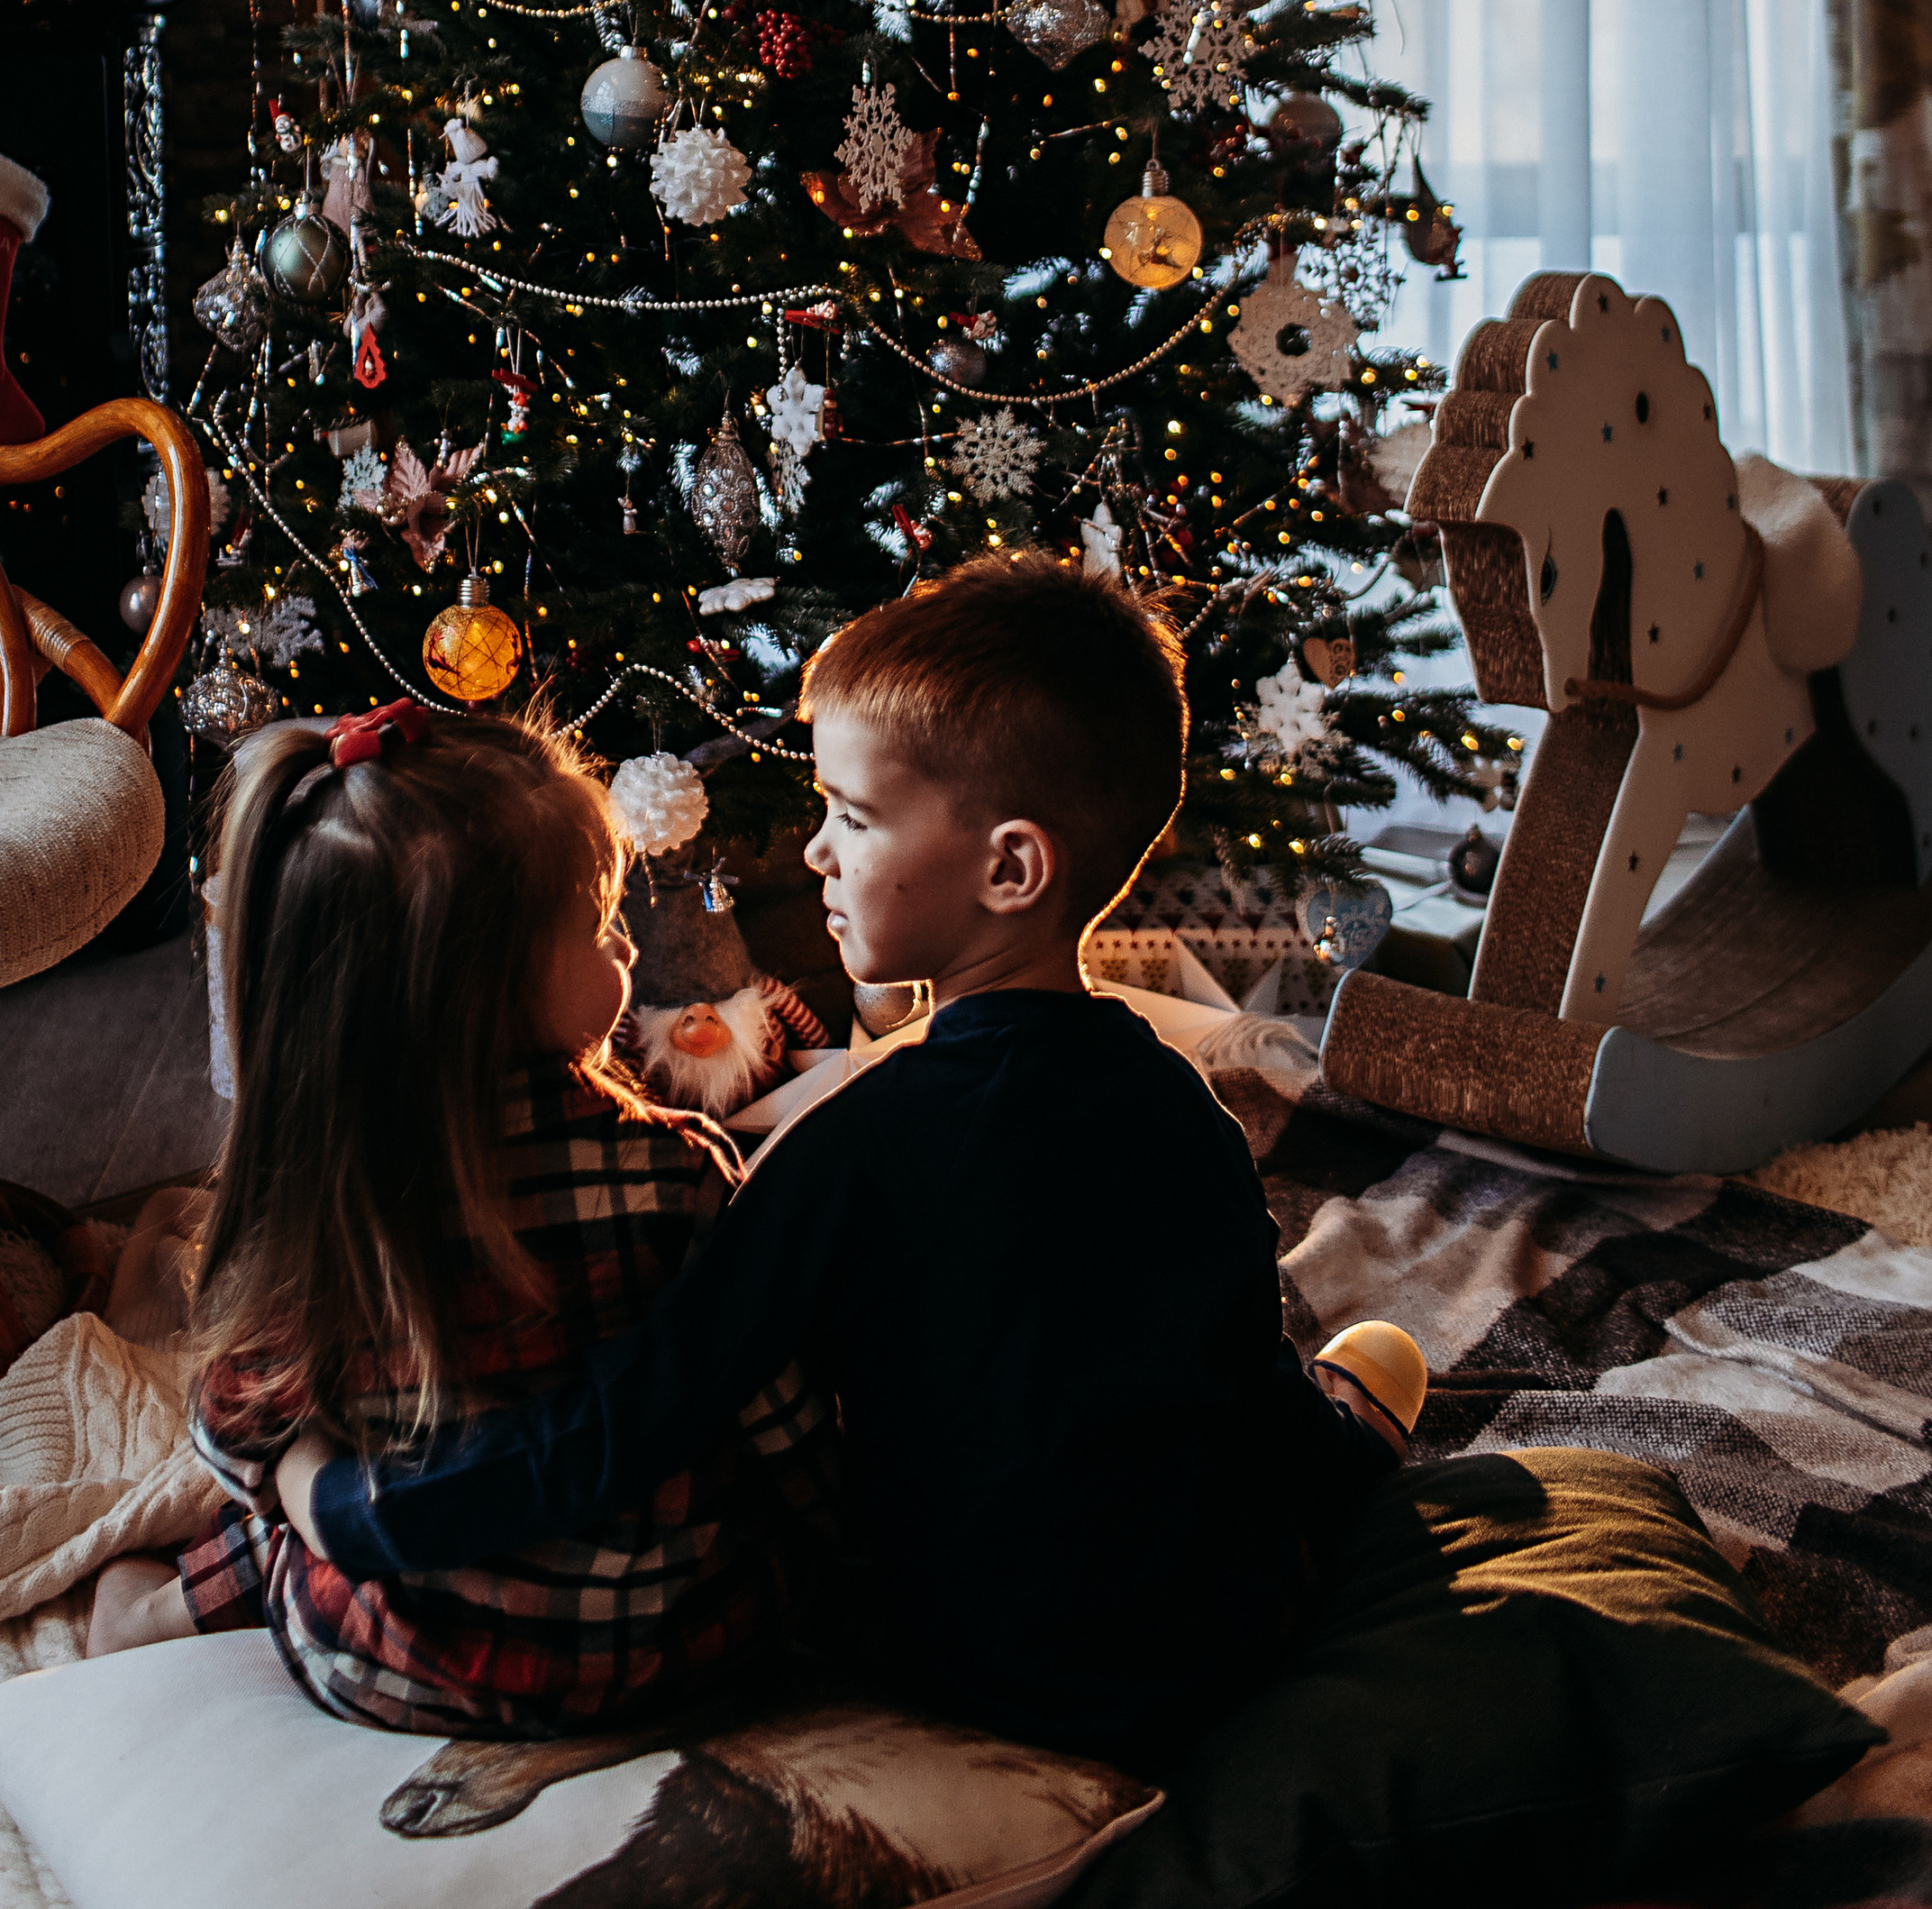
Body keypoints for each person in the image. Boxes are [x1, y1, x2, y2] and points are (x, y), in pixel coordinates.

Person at [266, 559, 1424, 1772]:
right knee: (1344, 1371)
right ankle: (1367, 1416)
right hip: (1218, 1645)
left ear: (1011, 869)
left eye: (853, 819)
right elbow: (1241, 1387)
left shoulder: (852, 1146)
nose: (816, 854)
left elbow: (629, 1423)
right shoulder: (1185, 1110)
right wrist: (1337, 1464)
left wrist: (354, 1509)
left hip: (965, 1670)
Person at [87, 697, 830, 1732]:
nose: (627, 955)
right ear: (485, 984)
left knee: (300, 1510)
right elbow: (774, 1410)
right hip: (680, 1648)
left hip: (402, 1663)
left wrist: (294, 1474)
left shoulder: (323, 1211)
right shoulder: (681, 1168)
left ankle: (152, 1620)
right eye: (598, 927)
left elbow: (238, 1443)